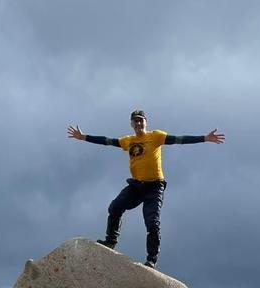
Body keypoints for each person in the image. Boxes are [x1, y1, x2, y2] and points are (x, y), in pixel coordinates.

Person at [67, 109, 224, 269]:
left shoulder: (155, 136)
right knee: (115, 207)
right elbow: (107, 141)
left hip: (155, 187)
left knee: (152, 223)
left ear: (146, 122)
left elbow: (179, 139)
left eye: (141, 120)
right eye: (135, 121)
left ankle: (151, 259)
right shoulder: (128, 141)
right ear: (131, 124)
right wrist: (83, 137)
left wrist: (205, 138)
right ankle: (110, 241)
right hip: (136, 185)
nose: (138, 123)